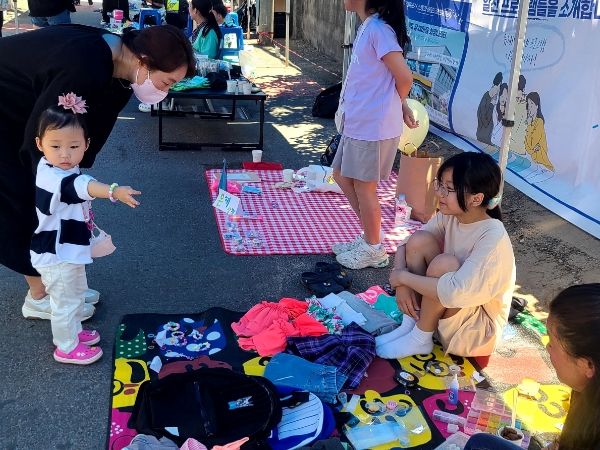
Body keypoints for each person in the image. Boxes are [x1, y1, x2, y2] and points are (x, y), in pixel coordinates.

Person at [0, 24, 195, 319]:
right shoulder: (84, 65)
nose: (164, 91)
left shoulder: (120, 64)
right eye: (166, 82)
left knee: (51, 195)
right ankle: (39, 295)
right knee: (21, 198)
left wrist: (75, 182)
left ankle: (58, 285)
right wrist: (52, 189)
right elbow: (39, 144)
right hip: (6, 114)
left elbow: (89, 131)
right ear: (144, 61)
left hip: (23, 108)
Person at [31, 95, 141, 364]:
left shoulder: (60, 166)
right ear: (40, 144)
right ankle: (66, 347)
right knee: (65, 302)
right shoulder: (52, 176)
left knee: (76, 293)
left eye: (73, 146)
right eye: (55, 146)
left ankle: (74, 332)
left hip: (69, 248)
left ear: (86, 145)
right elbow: (82, 187)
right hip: (56, 253)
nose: (65, 154)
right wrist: (113, 191)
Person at [376, 152, 515, 360]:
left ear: (476, 199)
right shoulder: (451, 216)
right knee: (420, 240)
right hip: (449, 312)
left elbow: (455, 292)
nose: (440, 193)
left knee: (444, 264)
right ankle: (411, 323)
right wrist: (401, 280)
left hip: (473, 332)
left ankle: (421, 337)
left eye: (449, 189)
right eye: (439, 184)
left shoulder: (492, 235)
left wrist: (403, 278)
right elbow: (407, 244)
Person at [330, 0, 417, 270]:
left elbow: (405, 78)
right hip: (358, 121)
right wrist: (399, 103)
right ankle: (371, 236)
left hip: (372, 125)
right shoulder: (369, 27)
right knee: (341, 175)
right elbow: (384, 78)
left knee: (364, 188)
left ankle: (373, 247)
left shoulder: (379, 29)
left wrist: (396, 103)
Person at [463, 283, 600, 450]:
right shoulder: (586, 389)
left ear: (587, 365)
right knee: (480, 442)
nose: (547, 347)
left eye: (552, 342)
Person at [524, 91, 553, 171]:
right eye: (528, 104)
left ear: (537, 106)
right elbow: (527, 147)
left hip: (541, 162)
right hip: (533, 159)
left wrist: (528, 126)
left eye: (532, 104)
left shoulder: (539, 122)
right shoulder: (529, 121)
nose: (529, 107)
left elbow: (531, 145)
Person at [477, 72, 502, 145]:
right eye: (499, 87)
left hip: (486, 135)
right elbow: (483, 116)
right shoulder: (487, 97)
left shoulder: (489, 97)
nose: (498, 91)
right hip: (483, 136)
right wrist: (492, 105)